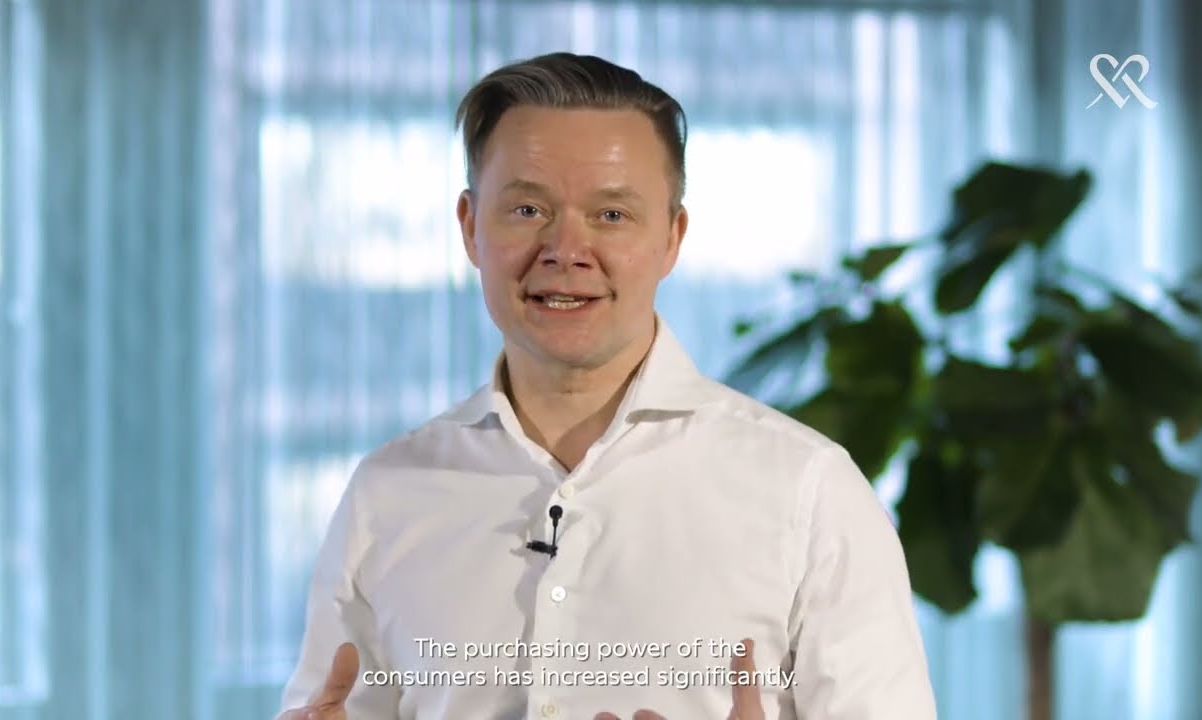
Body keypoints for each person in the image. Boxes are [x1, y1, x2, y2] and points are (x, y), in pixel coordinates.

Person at [276, 52, 936, 720]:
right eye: (527, 208)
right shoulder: (388, 492)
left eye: (612, 215)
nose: (566, 249)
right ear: (470, 226)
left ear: (672, 237)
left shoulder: (809, 492)